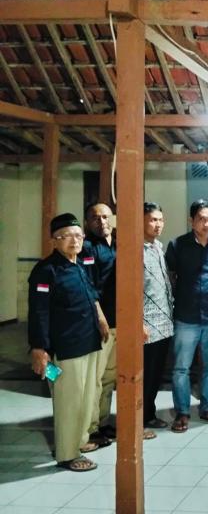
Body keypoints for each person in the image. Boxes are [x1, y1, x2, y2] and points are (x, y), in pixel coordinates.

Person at [28, 213, 109, 472]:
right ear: (54, 241)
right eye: (66, 236)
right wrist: (39, 349)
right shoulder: (46, 271)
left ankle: (79, 441)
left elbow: (91, 295)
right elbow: (38, 312)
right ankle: (67, 453)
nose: (74, 241)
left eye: (78, 235)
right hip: (63, 350)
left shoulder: (80, 264)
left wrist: (101, 318)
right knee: (68, 401)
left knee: (86, 399)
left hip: (89, 342)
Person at [166, 199, 208, 432]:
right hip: (186, 316)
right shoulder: (177, 245)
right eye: (201, 219)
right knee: (181, 367)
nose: (206, 223)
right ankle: (182, 412)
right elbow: (170, 278)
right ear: (191, 220)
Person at [80, 202, 117, 446]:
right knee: (94, 378)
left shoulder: (118, 244)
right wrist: (101, 319)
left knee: (109, 377)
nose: (101, 221)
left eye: (105, 216)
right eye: (95, 217)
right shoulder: (86, 248)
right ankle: (91, 428)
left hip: (119, 321)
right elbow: (89, 288)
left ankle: (103, 422)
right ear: (87, 222)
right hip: (99, 323)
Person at [142, 202, 173, 438]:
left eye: (160, 220)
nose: (158, 224)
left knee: (155, 373)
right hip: (146, 325)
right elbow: (133, 289)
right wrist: (138, 323)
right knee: (144, 374)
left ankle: (149, 414)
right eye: (153, 220)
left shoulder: (158, 247)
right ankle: (139, 419)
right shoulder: (136, 249)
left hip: (163, 322)